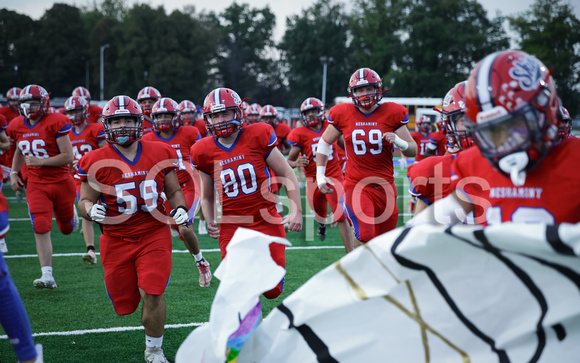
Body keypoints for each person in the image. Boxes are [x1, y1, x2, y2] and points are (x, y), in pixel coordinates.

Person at [409, 50, 580, 226]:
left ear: (544, 113)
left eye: (515, 122)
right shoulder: (471, 163)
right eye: (489, 129)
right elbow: (423, 229)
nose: (502, 137)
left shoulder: (574, 160)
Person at [78, 95, 188, 363]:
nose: (123, 125)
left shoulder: (161, 151)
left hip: (153, 233)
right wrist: (91, 210)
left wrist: (181, 207)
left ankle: (154, 349)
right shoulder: (95, 159)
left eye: (128, 119)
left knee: (153, 290)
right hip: (116, 238)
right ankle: (135, 305)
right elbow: (83, 201)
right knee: (124, 305)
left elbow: (173, 190)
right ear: (107, 125)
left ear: (140, 122)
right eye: (117, 120)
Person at [191, 87, 302, 299]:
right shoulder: (202, 150)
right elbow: (206, 195)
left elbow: (286, 171)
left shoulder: (258, 134)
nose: (221, 120)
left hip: (266, 220)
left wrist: (296, 209)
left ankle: (274, 280)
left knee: (272, 291)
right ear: (208, 119)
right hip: (232, 225)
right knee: (238, 289)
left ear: (238, 113)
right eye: (215, 115)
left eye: (226, 113)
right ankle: (249, 331)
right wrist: (211, 218)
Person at [316, 68, 417, 246]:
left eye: (369, 88)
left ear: (378, 88)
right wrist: (320, 175)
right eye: (360, 90)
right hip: (356, 185)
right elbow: (324, 143)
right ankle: (361, 271)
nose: (365, 94)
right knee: (365, 234)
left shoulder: (393, 112)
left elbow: (413, 150)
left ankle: (372, 270)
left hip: (385, 186)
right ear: (352, 93)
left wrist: (400, 143)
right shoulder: (342, 113)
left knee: (384, 241)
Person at [8, 85, 78, 289]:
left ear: (44, 103)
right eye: (26, 103)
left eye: (34, 102)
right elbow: (21, 149)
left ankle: (71, 215)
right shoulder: (17, 124)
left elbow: (68, 156)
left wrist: (41, 161)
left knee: (66, 229)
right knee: (40, 225)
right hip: (37, 184)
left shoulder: (56, 121)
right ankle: (47, 274)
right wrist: (14, 172)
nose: (29, 107)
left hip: (61, 182)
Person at [141, 97, 212, 287]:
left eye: (167, 115)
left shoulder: (190, 133)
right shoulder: (147, 138)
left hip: (188, 184)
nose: (163, 119)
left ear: (176, 116)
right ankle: (201, 259)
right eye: (160, 116)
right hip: (164, 190)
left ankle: (200, 263)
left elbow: (203, 155)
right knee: (179, 230)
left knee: (183, 226)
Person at [287, 97, 353, 252]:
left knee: (341, 213)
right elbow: (288, 161)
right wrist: (297, 163)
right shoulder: (299, 133)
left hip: (334, 175)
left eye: (313, 111)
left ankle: (350, 252)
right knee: (319, 212)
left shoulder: (331, 127)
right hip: (313, 179)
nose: (310, 115)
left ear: (321, 112)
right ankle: (322, 224)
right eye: (307, 112)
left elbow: (347, 145)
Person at [407, 81, 473, 216]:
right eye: (466, 119)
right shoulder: (433, 170)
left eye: (482, 117)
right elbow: (419, 230)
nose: (477, 125)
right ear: (450, 125)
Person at [64, 95, 107, 264]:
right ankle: (91, 250)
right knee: (87, 212)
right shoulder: (65, 132)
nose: (74, 115)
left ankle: (110, 240)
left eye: (77, 111)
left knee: (105, 209)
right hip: (79, 178)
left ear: (85, 111)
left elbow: (106, 152)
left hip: (99, 175)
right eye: (71, 112)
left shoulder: (96, 129)